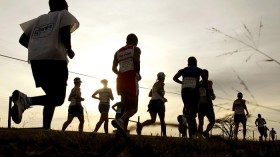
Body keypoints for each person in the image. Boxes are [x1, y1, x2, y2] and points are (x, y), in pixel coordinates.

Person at [11, 0, 79, 129]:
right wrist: (69, 49)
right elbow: (65, 30)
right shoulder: (63, 14)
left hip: (37, 62)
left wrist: (38, 48)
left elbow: (22, 39)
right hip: (55, 60)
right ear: (63, 6)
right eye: (67, 7)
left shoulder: (38, 20)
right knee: (58, 99)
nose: (68, 9)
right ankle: (25, 101)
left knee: (50, 97)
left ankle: (46, 129)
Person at [111, 33, 141, 136]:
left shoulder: (117, 52)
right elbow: (137, 62)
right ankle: (120, 120)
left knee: (126, 108)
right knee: (133, 108)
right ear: (136, 41)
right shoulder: (135, 49)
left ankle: (121, 131)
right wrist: (137, 74)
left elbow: (113, 68)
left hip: (120, 80)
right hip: (131, 78)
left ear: (126, 41)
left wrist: (121, 74)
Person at [173, 56, 207, 139]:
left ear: (188, 63)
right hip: (194, 91)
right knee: (193, 112)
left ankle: (184, 119)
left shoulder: (183, 70)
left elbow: (174, 78)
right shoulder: (199, 70)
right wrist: (199, 85)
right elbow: (205, 80)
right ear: (196, 63)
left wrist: (182, 82)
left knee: (187, 109)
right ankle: (193, 134)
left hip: (184, 92)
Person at [136, 72, 168, 136]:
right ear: (163, 78)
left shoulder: (154, 84)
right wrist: (163, 98)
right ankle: (164, 136)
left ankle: (141, 125)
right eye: (164, 77)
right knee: (162, 120)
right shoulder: (161, 83)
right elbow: (159, 90)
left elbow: (150, 94)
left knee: (153, 120)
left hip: (152, 102)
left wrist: (155, 95)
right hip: (159, 102)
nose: (164, 78)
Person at [197, 69, 216, 139]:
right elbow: (210, 90)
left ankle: (200, 137)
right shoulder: (209, 82)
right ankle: (206, 132)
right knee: (212, 121)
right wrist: (213, 96)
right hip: (207, 105)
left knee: (201, 122)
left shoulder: (198, 83)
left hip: (200, 105)